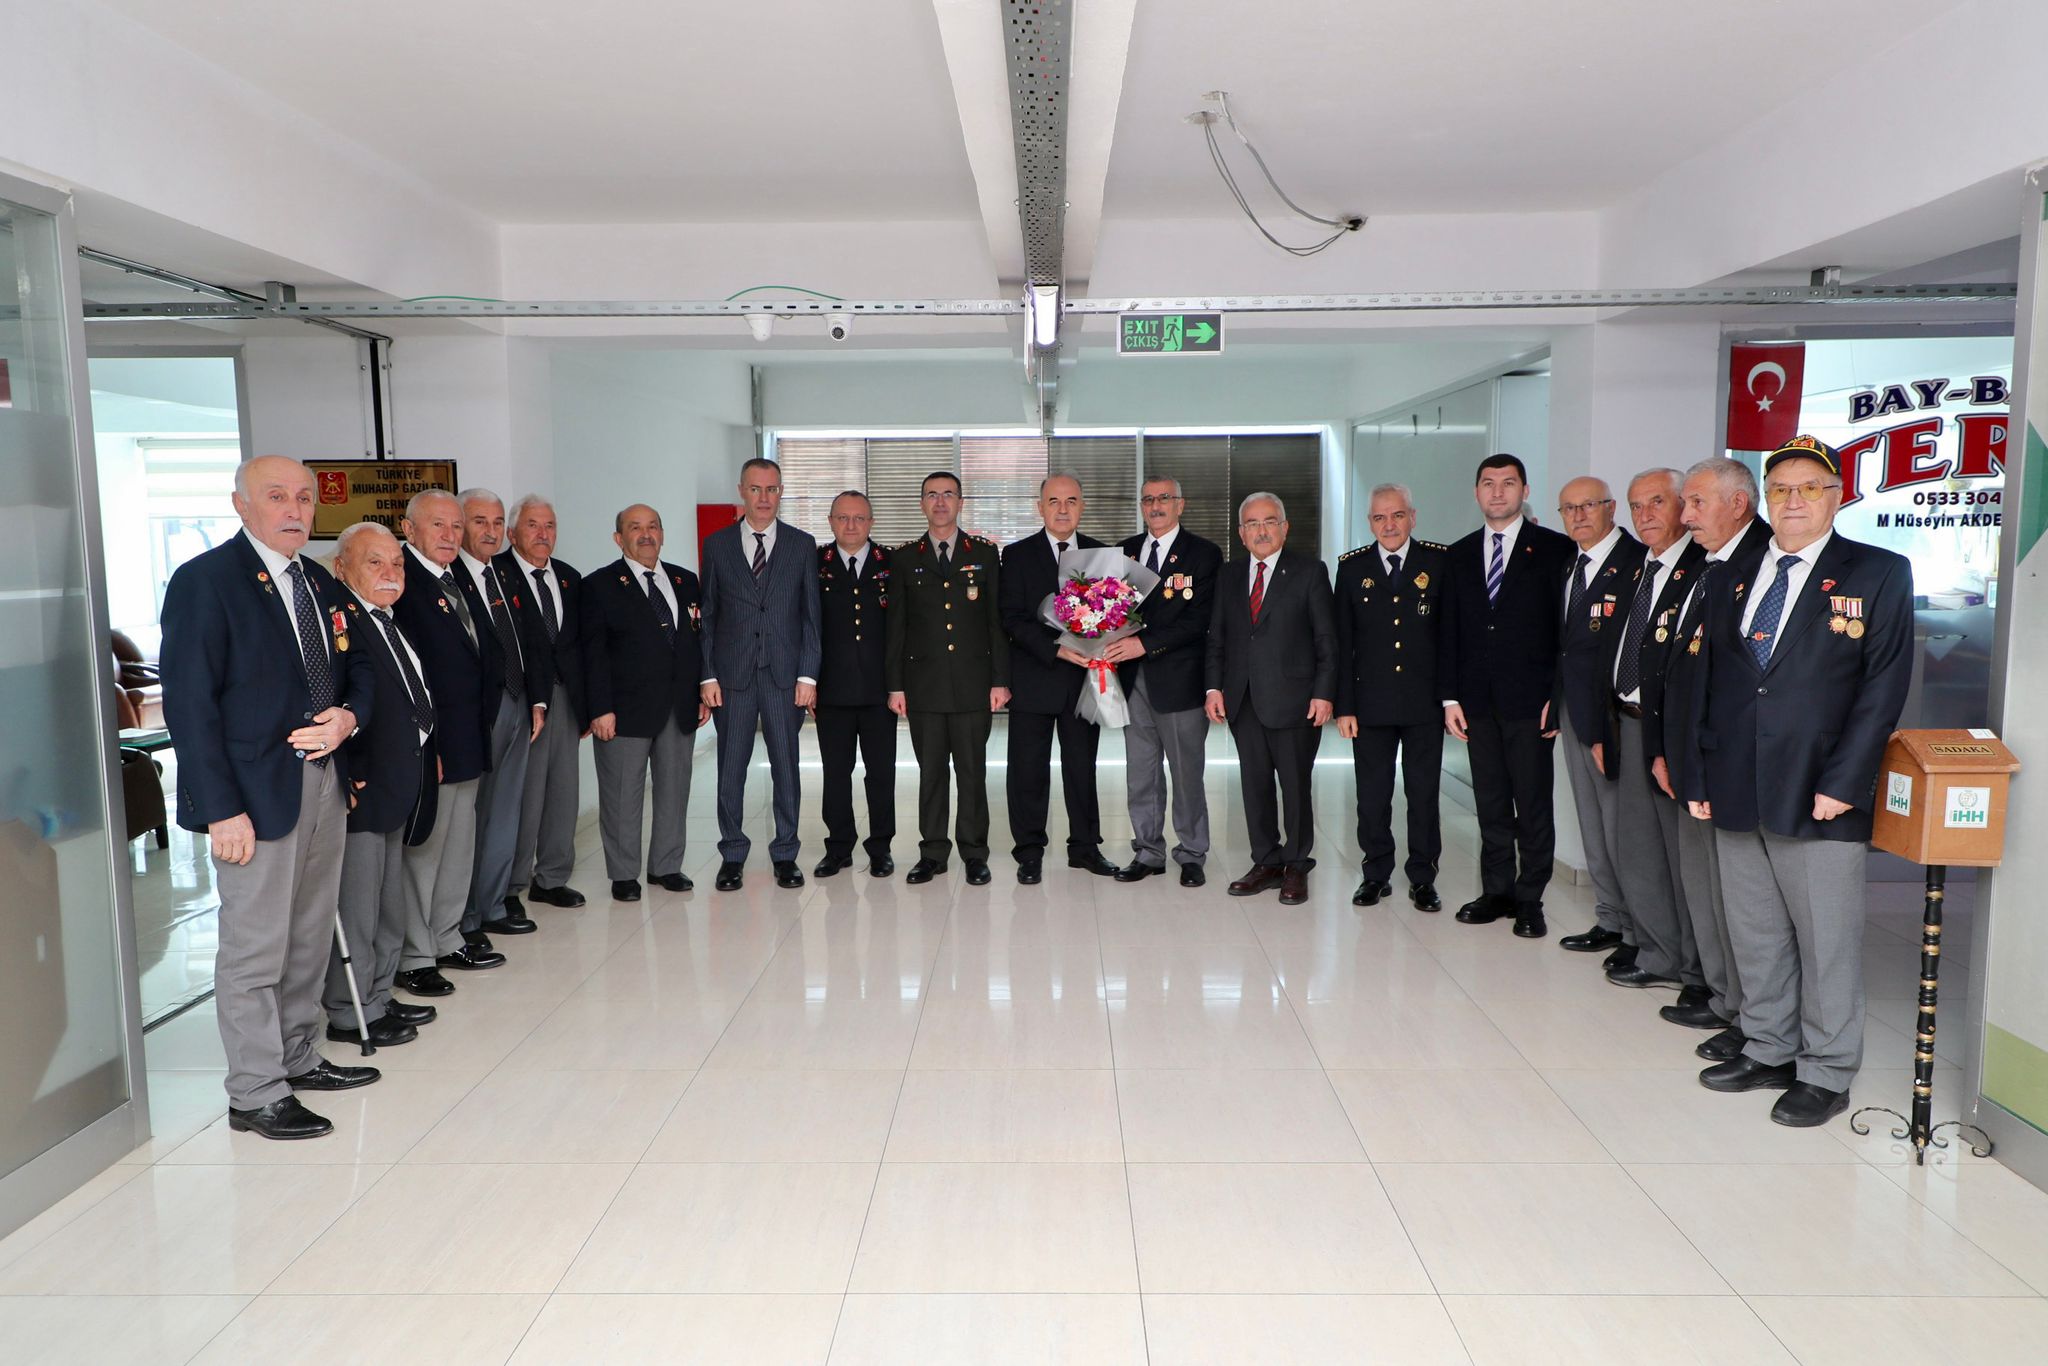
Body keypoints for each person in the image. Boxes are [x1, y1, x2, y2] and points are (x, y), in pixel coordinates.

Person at [1687, 435, 1913, 1127]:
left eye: (1809, 488)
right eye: (1781, 488)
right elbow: (1706, 680)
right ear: (1764, 498)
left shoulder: (1876, 572)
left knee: (1826, 940)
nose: (1793, 501)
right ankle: (1768, 1048)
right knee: (1755, 932)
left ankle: (1826, 1070)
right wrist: (1699, 771)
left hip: (1821, 788)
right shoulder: (1731, 571)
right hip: (1735, 779)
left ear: (1836, 497)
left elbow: (1883, 687)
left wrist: (1846, 780)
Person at [159, 455, 377, 1140]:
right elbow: (190, 706)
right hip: (251, 796)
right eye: (277, 496)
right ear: (241, 504)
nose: (294, 510)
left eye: (305, 498)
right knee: (256, 947)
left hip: (322, 778)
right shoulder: (206, 581)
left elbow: (360, 662)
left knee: (309, 935)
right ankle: (255, 1092)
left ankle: (297, 1056)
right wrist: (221, 809)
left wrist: (348, 718)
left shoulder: (317, 580)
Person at [1650, 456, 1774, 1062]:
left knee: (1743, 902)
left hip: (1730, 760)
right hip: (1695, 755)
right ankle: (1727, 999)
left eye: (1697, 502)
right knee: (1710, 889)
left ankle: (1750, 1015)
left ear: (1738, 504)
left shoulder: (1757, 565)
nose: (1686, 514)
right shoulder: (1711, 564)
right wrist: (1668, 751)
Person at [1440, 454, 1576, 939]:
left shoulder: (1556, 550)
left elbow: (1566, 631)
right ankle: (1496, 891)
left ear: (1525, 490)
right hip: (1476, 703)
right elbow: (1448, 631)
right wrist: (1449, 699)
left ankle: (1530, 898)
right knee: (1492, 802)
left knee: (1533, 804)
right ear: (1476, 492)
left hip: (1531, 703)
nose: (1497, 492)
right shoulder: (1457, 555)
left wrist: (1557, 695)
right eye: (1488, 483)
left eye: (1508, 483)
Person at [326, 522, 438, 1049]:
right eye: (375, 562)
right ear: (341, 567)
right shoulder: (341, 624)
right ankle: (351, 1011)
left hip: (397, 780)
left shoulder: (388, 620)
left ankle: (379, 993)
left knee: (387, 901)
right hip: (362, 786)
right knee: (358, 904)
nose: (390, 573)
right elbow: (334, 700)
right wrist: (345, 772)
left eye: (397, 563)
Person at [393, 488, 503, 992]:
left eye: (456, 526)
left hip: (468, 739)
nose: (450, 535)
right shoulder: (403, 582)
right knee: (425, 853)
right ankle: (415, 955)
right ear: (409, 529)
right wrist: (427, 744)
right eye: (438, 525)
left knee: (457, 849)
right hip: (432, 743)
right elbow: (409, 673)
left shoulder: (455, 576)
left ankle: (446, 936)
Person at [1204, 492, 1336, 906]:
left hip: (1295, 700)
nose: (1261, 531)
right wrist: (1213, 688)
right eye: (1252, 524)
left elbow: (1327, 638)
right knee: (1254, 785)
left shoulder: (1310, 571)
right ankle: (1265, 861)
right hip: (1243, 700)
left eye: (1269, 522)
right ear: (1241, 533)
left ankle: (1296, 864)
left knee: (1295, 786)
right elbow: (1217, 637)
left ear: (1284, 527)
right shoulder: (1228, 575)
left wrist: (1324, 693)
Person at [1606, 468, 1708, 1001]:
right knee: (1641, 850)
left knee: (1684, 859)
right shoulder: (1639, 567)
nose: (1644, 515)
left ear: (1682, 508)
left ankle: (1697, 972)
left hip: (1672, 729)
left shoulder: (1702, 568)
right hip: (1629, 721)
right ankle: (1658, 954)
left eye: (1657, 502)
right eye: (1636, 505)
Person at [700, 457, 822, 892]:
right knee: (730, 770)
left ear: (781, 492)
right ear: (742, 491)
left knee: (786, 768)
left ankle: (785, 853)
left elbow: (810, 616)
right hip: (732, 678)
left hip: (784, 677)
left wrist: (808, 676)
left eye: (772, 489)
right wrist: (707, 676)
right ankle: (732, 854)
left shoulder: (801, 544)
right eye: (756, 489)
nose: (764, 497)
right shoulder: (717, 546)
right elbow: (708, 616)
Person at [885, 470, 1009, 887]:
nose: (940, 502)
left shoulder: (985, 553)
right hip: (924, 686)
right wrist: (896, 685)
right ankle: (933, 853)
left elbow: (995, 622)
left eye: (948, 494)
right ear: (922, 503)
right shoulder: (905, 558)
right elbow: (896, 627)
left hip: (974, 684)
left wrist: (1000, 680)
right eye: (932, 495)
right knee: (931, 774)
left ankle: (974, 853)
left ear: (960, 502)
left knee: (973, 773)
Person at [582, 503, 709, 902]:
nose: (646, 534)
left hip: (679, 706)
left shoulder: (686, 581)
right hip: (623, 711)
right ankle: (623, 874)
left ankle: (666, 866)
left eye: (653, 526)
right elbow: (592, 653)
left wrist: (701, 690)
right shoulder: (600, 585)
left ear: (662, 534)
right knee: (622, 794)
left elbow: (697, 642)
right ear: (619, 538)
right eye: (635, 528)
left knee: (674, 789)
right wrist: (599, 708)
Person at [1334, 483, 1448, 911]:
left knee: (1423, 795)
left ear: (1412, 517)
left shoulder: (1438, 563)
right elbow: (1343, 643)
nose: (1389, 525)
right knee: (1372, 796)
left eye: (1397, 515)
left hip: (1424, 704)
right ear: (1370, 523)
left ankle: (1423, 877)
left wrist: (1450, 700)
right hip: (1371, 704)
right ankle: (1375, 873)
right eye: (1380, 517)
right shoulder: (1352, 568)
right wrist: (1344, 706)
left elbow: (1450, 638)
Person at [1000, 473, 1115, 884]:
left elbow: (1114, 615)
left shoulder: (1103, 555)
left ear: (1082, 506)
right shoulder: (1016, 555)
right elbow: (1011, 617)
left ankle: (1085, 848)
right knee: (1027, 771)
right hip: (1034, 677)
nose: (1062, 509)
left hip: (1084, 682)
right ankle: (1029, 851)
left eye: (1071, 501)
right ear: (1040, 507)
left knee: (1082, 768)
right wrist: (1055, 648)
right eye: (1054, 501)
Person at [1550, 476, 1647, 961]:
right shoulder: (1572, 563)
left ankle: (1637, 932)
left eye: (1588, 505)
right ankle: (1609, 918)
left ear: (1611, 508)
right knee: (1591, 821)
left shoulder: (1637, 563)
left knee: (1620, 828)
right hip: (1574, 709)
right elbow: (1565, 646)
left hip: (1612, 717)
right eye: (1569, 509)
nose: (1578, 516)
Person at [1108, 475, 1222, 888]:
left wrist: (1144, 644)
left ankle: (1192, 852)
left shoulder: (1203, 554)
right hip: (1132, 679)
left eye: (1164, 498)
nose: (1155, 506)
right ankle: (1148, 851)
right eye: (1148, 499)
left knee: (1186, 773)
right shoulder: (1123, 551)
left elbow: (1200, 620)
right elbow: (1108, 610)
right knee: (1141, 773)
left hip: (1180, 682)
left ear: (1180, 504)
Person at [453, 488, 549, 949]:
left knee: (506, 812)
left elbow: (532, 641)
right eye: (479, 522)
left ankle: (492, 906)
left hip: (518, 704)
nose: (490, 532)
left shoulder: (505, 575)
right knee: (471, 816)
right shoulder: (450, 578)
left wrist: (538, 700)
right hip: (479, 713)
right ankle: (465, 915)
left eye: (495, 523)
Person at [502, 494, 589, 910]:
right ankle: (510, 885)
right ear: (512, 533)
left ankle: (552, 878)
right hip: (523, 700)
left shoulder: (569, 578)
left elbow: (581, 646)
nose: (543, 534)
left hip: (566, 699)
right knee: (524, 795)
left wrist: (588, 705)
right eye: (533, 525)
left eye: (549, 526)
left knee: (562, 792)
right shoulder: (498, 576)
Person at [812, 491, 896, 879]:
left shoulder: (890, 563)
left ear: (871, 523)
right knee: (835, 773)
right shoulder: (815, 564)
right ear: (831, 522)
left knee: (881, 773)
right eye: (843, 518)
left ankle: (880, 848)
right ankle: (838, 847)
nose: (851, 525)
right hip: (831, 690)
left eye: (859, 518)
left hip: (879, 690)